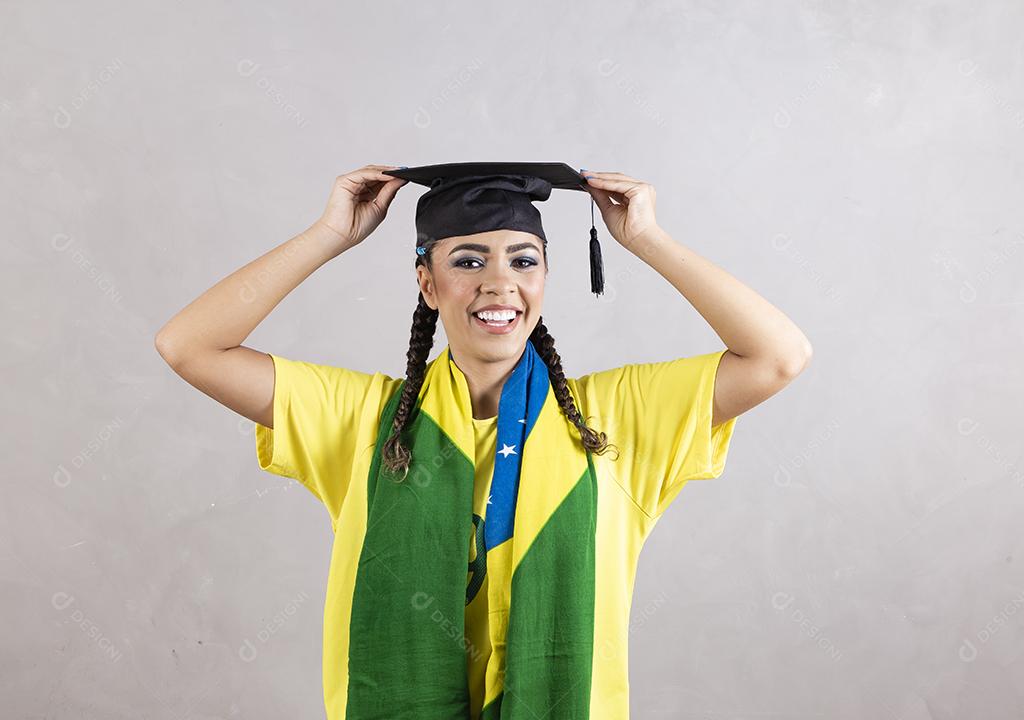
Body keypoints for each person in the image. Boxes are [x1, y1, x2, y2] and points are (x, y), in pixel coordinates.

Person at [155, 163, 812, 719]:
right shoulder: (364, 420)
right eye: (468, 261)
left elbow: (778, 356)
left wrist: (648, 240)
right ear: (427, 282)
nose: (499, 284)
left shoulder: (611, 419)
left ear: (545, 279)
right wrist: (330, 235)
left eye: (523, 261)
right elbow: (188, 346)